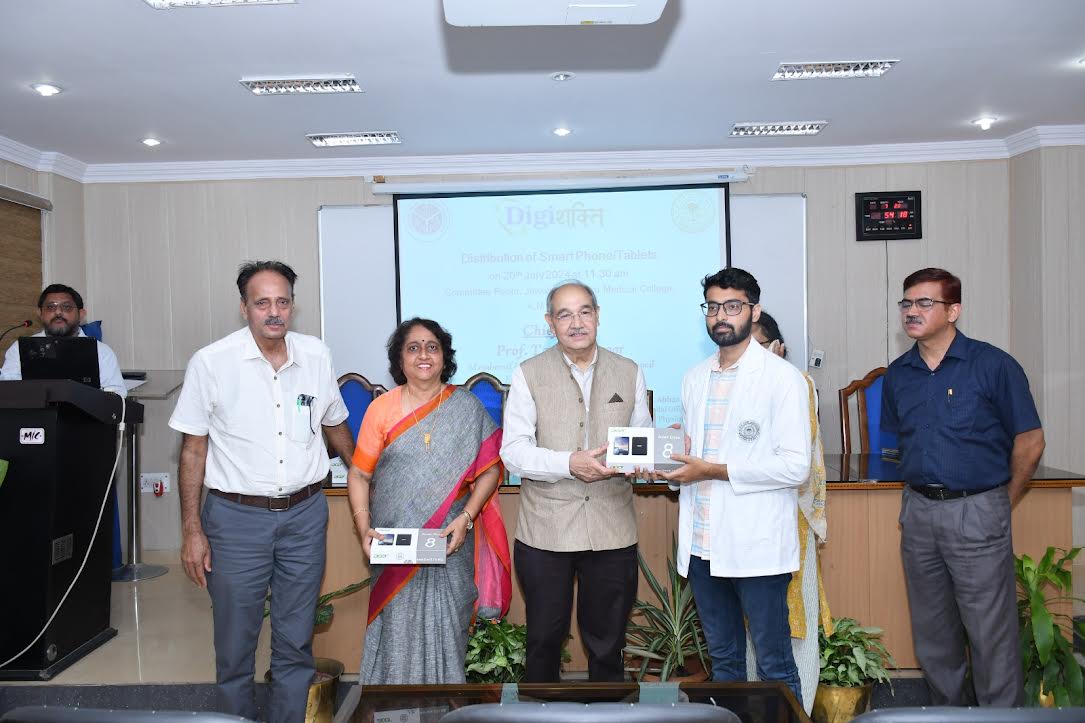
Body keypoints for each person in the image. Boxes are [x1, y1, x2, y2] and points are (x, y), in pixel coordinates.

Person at [169, 260, 355, 723]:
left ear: (293, 305)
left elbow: (335, 424)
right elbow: (192, 453)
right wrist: (192, 528)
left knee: (295, 644)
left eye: (283, 301)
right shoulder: (211, 363)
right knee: (235, 647)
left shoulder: (315, 355)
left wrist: (365, 476)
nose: (274, 312)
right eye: (262, 302)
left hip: (304, 516)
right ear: (244, 307)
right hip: (235, 521)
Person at [646, 268, 810, 703]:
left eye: (733, 306)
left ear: (753, 311)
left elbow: (796, 468)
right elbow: (696, 454)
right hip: (703, 548)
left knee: (774, 663)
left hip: (757, 548)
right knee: (723, 663)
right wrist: (670, 461)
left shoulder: (782, 378)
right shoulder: (695, 377)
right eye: (713, 306)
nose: (721, 316)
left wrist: (713, 470)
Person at [881, 267, 1044, 707]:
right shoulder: (898, 374)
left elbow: (1030, 442)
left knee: (990, 634)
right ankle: (947, 716)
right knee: (933, 634)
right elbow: (899, 443)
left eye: (924, 303)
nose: (911, 312)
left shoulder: (994, 366)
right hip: (918, 513)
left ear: (954, 310)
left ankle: (1000, 719)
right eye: (906, 303)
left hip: (978, 509)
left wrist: (1001, 501)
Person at [501, 280, 652, 683]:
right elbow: (513, 452)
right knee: (544, 641)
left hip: (612, 530)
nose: (576, 322)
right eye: (564, 314)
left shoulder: (629, 370)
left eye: (584, 311)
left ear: (598, 316)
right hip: (545, 532)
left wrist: (652, 455)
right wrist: (570, 463)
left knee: (608, 644)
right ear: (550, 323)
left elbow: (641, 441)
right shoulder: (528, 373)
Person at [348, 318, 509, 684]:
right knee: (397, 632)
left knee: (448, 632)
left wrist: (466, 518)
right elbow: (359, 474)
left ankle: (446, 707)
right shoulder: (382, 409)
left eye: (432, 346)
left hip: (450, 541)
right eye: (413, 347)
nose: (424, 355)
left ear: (444, 356)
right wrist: (363, 528)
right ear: (399, 359)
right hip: (393, 546)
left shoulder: (466, 408)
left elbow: (490, 470)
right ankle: (392, 708)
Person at [749, 311, 831, 713]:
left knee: (794, 637)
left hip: (789, 522)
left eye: (760, 345)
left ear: (778, 348)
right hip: (741, 530)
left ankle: (794, 712)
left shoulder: (797, 385)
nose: (752, 354)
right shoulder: (721, 385)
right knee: (751, 636)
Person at [1, 283, 126, 396]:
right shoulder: (21, 348)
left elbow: (116, 396)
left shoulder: (102, 352)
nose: (58, 312)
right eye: (50, 307)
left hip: (84, 420)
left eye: (66, 307)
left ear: (81, 314)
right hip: (34, 419)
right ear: (40, 313)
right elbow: (7, 388)